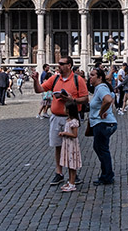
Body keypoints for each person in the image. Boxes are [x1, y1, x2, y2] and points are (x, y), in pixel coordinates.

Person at [32, 56, 90, 186]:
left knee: (71, 147)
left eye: (62, 64)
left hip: (70, 118)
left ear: (69, 65)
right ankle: (59, 173)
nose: (59, 66)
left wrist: (71, 99)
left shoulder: (77, 80)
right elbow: (39, 90)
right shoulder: (55, 78)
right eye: (58, 64)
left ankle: (73, 174)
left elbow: (85, 98)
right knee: (57, 146)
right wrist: (35, 80)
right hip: (56, 117)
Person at [88, 67, 117, 185]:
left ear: (99, 78)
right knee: (100, 148)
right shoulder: (99, 89)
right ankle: (107, 173)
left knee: (102, 149)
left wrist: (101, 112)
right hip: (103, 123)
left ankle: (107, 176)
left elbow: (108, 99)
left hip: (103, 124)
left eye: (92, 75)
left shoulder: (101, 88)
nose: (90, 77)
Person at [57, 101, 82, 192]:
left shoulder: (74, 122)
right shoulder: (68, 120)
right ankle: (70, 181)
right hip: (68, 145)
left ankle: (72, 183)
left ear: (68, 111)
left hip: (72, 145)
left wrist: (65, 134)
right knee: (69, 164)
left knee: (72, 165)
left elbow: (75, 135)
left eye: (64, 108)